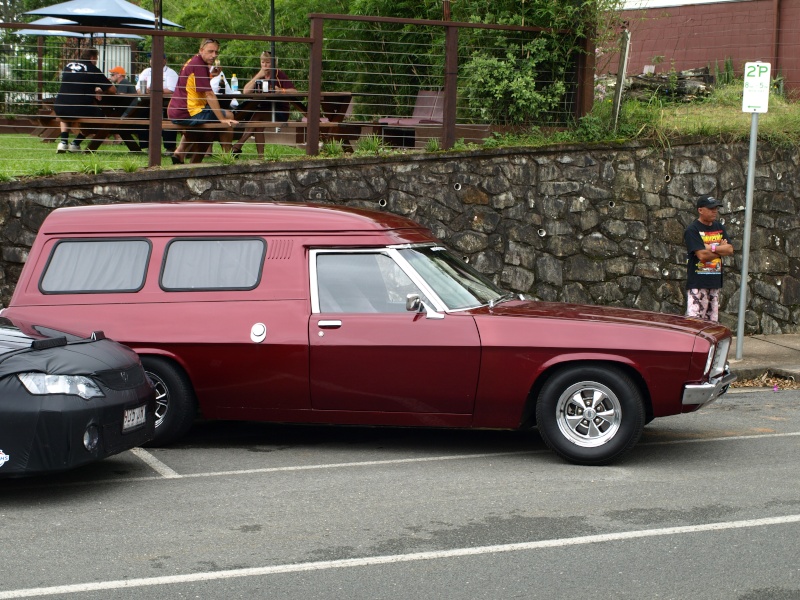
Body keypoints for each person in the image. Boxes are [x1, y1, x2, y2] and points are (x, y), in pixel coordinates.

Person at [167, 38, 238, 164]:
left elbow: (195, 85)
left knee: (205, 126)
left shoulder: (193, 61)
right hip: (187, 112)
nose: (214, 55)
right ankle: (228, 157)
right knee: (228, 115)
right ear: (201, 50)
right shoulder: (199, 66)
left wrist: (211, 76)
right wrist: (222, 119)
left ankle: (180, 151)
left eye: (216, 52)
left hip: (176, 110)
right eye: (210, 51)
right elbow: (209, 94)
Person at [231, 52, 297, 158]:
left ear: (274, 63)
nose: (265, 65)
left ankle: (238, 145)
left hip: (279, 111)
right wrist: (258, 76)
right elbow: (246, 91)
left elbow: (294, 92)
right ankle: (260, 156)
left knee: (258, 116)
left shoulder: (279, 75)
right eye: (263, 62)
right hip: (262, 109)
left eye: (268, 63)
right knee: (258, 125)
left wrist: (281, 90)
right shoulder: (260, 76)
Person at [53, 48, 116, 154]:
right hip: (80, 108)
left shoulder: (68, 66)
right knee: (99, 117)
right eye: (96, 59)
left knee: (65, 114)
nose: (96, 61)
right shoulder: (92, 68)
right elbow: (112, 90)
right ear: (92, 57)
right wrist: (99, 89)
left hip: (60, 106)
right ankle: (76, 143)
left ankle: (63, 142)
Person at [684, 194, 735, 322]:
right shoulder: (692, 230)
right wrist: (720, 249)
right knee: (695, 323)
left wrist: (710, 248)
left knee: (712, 324)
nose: (715, 211)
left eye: (716, 208)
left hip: (714, 282)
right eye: (711, 208)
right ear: (700, 210)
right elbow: (701, 256)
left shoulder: (719, 227)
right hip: (698, 284)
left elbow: (729, 249)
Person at [136, 55, 179, 156]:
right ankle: (147, 146)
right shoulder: (146, 72)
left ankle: (170, 147)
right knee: (140, 114)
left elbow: (172, 90)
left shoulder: (170, 73)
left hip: (166, 103)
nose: (153, 60)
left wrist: (154, 90)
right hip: (147, 102)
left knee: (167, 117)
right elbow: (138, 88)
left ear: (164, 60)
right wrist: (143, 91)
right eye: (151, 58)